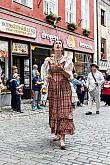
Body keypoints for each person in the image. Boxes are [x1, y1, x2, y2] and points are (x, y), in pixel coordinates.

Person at [48, 40, 75, 150]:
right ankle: (58, 134)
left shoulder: (67, 60)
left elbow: (70, 76)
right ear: (53, 47)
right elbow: (47, 74)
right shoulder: (48, 60)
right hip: (53, 88)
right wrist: (47, 79)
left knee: (63, 112)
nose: (58, 44)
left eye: (60, 43)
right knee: (54, 110)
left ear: (62, 47)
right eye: (56, 43)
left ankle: (63, 138)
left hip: (64, 87)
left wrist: (62, 69)